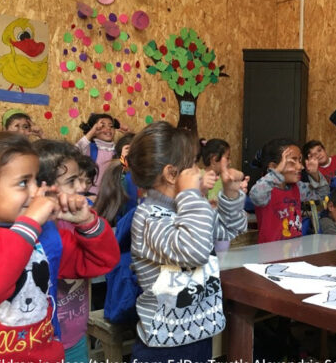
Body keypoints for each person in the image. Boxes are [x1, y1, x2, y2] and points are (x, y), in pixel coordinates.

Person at [0, 132, 118, 361]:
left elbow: (99, 262)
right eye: (23, 183)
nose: (35, 192)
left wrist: (87, 222)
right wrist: (29, 224)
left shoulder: (45, 234)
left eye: (35, 181)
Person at [126, 121, 247, 361]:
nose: (198, 170)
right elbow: (195, 251)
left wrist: (231, 194)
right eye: (192, 164)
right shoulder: (148, 218)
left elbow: (229, 230)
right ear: (172, 174)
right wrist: (192, 195)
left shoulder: (188, 207)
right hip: (164, 344)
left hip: (199, 332)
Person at [34, 139, 120, 363]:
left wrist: (89, 222)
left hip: (73, 338)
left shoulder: (73, 223)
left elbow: (104, 261)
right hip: (34, 344)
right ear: (40, 187)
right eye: (72, 181)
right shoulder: (39, 235)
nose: (82, 187)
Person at [249, 138, 329, 243]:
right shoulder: (266, 188)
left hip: (295, 253)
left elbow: (322, 194)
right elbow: (256, 196)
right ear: (273, 167)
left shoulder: (298, 187)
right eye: (292, 162)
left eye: (300, 161)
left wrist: (314, 174)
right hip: (270, 255)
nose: (300, 166)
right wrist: (276, 172)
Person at [199, 138, 249, 251]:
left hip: (221, 228)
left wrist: (237, 192)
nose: (230, 161)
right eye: (227, 157)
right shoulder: (201, 176)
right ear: (214, 159)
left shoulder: (226, 179)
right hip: (205, 231)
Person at [76, 113, 122, 194]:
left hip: (111, 196)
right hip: (91, 195)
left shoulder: (118, 150)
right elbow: (74, 151)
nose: (108, 129)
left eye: (111, 126)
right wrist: (92, 132)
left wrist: (128, 132)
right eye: (102, 126)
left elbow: (124, 170)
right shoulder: (89, 148)